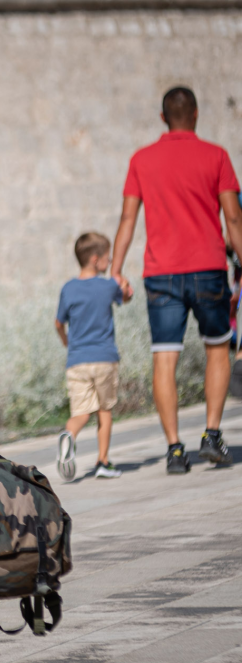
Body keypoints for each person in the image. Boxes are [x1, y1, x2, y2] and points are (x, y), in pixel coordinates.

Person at [111, 86, 242, 473]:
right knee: (217, 348)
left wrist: (115, 269)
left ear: (163, 117)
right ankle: (211, 435)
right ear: (196, 114)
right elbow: (233, 217)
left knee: (164, 357)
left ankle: (175, 450)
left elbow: (128, 217)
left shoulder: (142, 159)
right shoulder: (216, 155)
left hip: (161, 273)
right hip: (208, 268)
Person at [55, 232, 132, 481]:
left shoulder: (68, 288)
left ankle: (68, 436)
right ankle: (103, 462)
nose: (109, 263)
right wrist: (125, 286)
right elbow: (126, 297)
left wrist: (67, 342)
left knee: (81, 412)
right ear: (96, 260)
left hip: (77, 361)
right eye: (108, 258)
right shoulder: (108, 286)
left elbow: (58, 323)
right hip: (104, 358)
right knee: (104, 410)